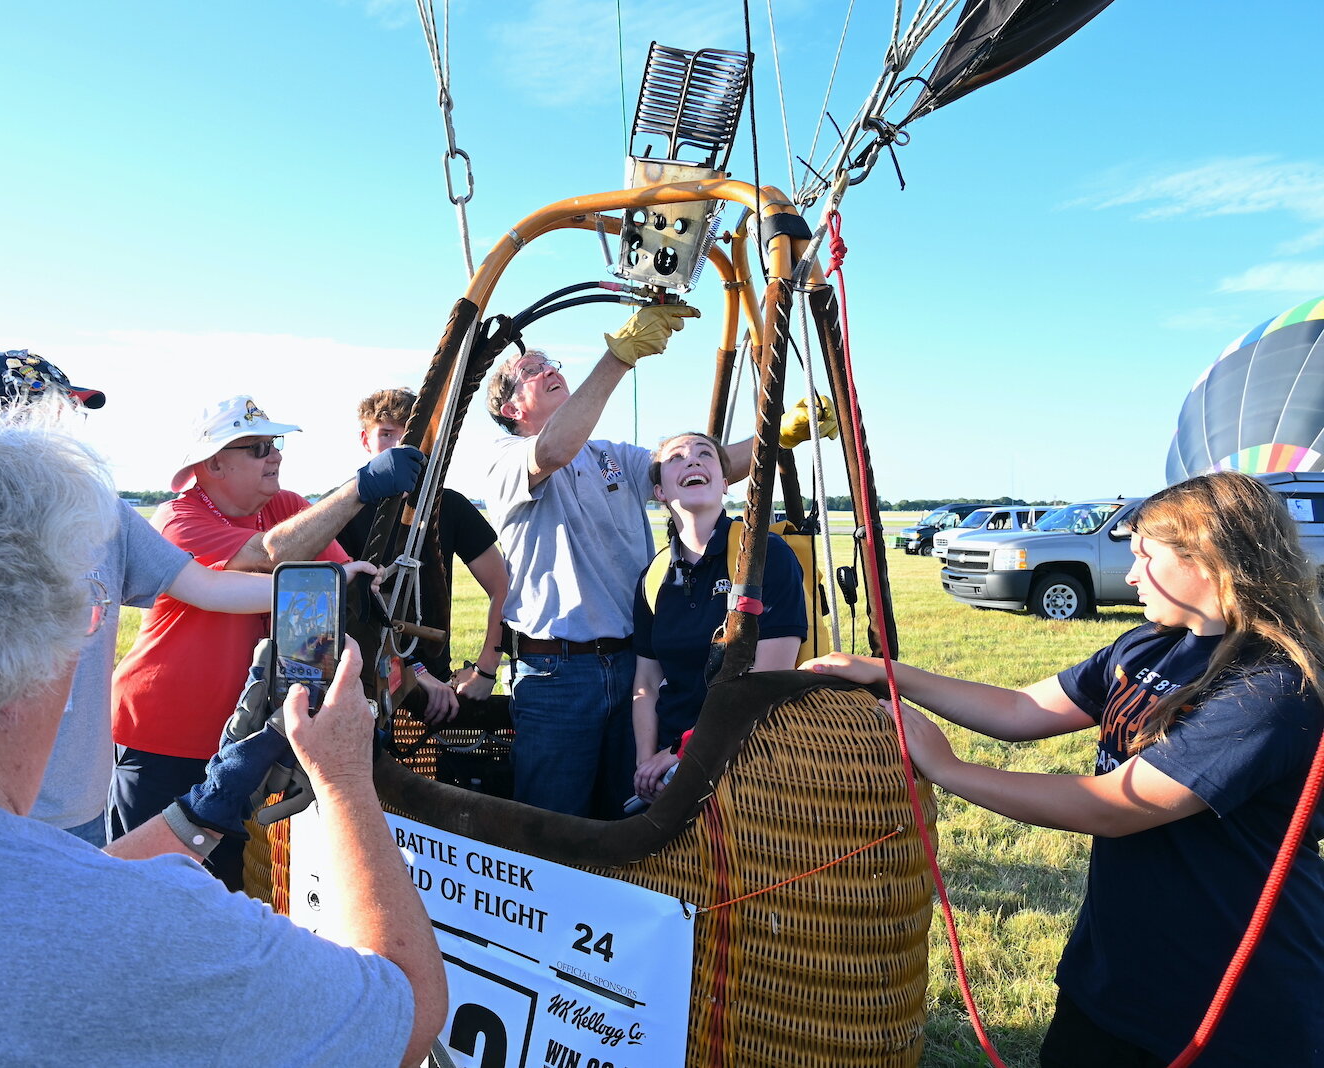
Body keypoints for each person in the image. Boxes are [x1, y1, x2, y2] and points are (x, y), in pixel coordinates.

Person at [0, 393, 445, 1065]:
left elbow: (7, 908)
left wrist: (198, 816)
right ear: (7, 666)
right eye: (83, 617)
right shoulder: (156, 936)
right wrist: (346, 776)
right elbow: (404, 1011)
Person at [807, 471, 1324, 1067]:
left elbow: (1114, 806)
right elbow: (1020, 709)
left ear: (1207, 559)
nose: (1131, 574)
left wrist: (948, 770)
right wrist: (889, 673)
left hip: (1231, 1000)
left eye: (1144, 556)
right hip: (1115, 972)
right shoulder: (1147, 645)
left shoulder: (1274, 687)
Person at [0, 350, 298, 848]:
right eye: (45, 414)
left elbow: (206, 587)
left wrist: (309, 591)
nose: (65, 429)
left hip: (79, 803)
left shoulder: (103, 514)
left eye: (67, 414)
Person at [111, 394, 424, 889]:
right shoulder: (179, 518)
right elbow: (267, 554)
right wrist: (360, 488)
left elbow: (339, 576)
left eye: (274, 443)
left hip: (239, 738)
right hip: (162, 738)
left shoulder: (286, 507)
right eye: (258, 447)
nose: (275, 455)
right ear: (214, 463)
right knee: (148, 885)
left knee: (225, 885)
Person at [483, 303, 757, 818]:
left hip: (635, 667)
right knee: (554, 823)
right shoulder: (505, 458)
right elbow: (555, 449)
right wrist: (619, 358)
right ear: (512, 410)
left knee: (628, 815)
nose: (550, 370)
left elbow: (703, 467)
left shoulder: (610, 455)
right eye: (531, 370)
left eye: (552, 363)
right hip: (555, 676)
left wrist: (780, 435)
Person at [631, 431, 808, 803]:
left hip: (752, 751)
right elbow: (646, 681)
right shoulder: (653, 576)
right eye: (676, 458)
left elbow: (768, 680)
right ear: (660, 492)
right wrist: (646, 762)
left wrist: (682, 753)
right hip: (669, 756)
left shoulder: (765, 556)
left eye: (704, 454)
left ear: (725, 484)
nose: (692, 460)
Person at [336, 387, 510, 723]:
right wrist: (412, 671)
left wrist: (487, 670)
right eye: (387, 434)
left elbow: (502, 587)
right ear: (365, 439)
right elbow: (343, 613)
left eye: (411, 436)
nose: (401, 446)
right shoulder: (341, 510)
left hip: (436, 695)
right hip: (359, 687)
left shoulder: (452, 507)